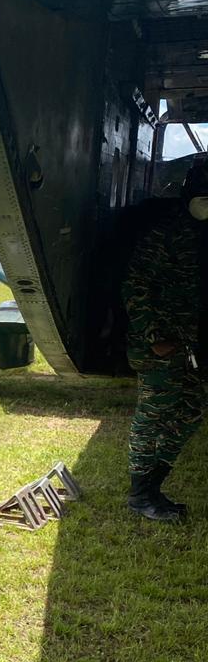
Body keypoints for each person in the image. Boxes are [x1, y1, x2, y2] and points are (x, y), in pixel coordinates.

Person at [123, 157, 208, 521]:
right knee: (154, 416)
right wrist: (155, 336)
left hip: (193, 344)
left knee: (189, 411)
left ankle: (155, 485)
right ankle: (140, 495)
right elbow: (135, 285)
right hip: (160, 345)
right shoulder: (166, 233)